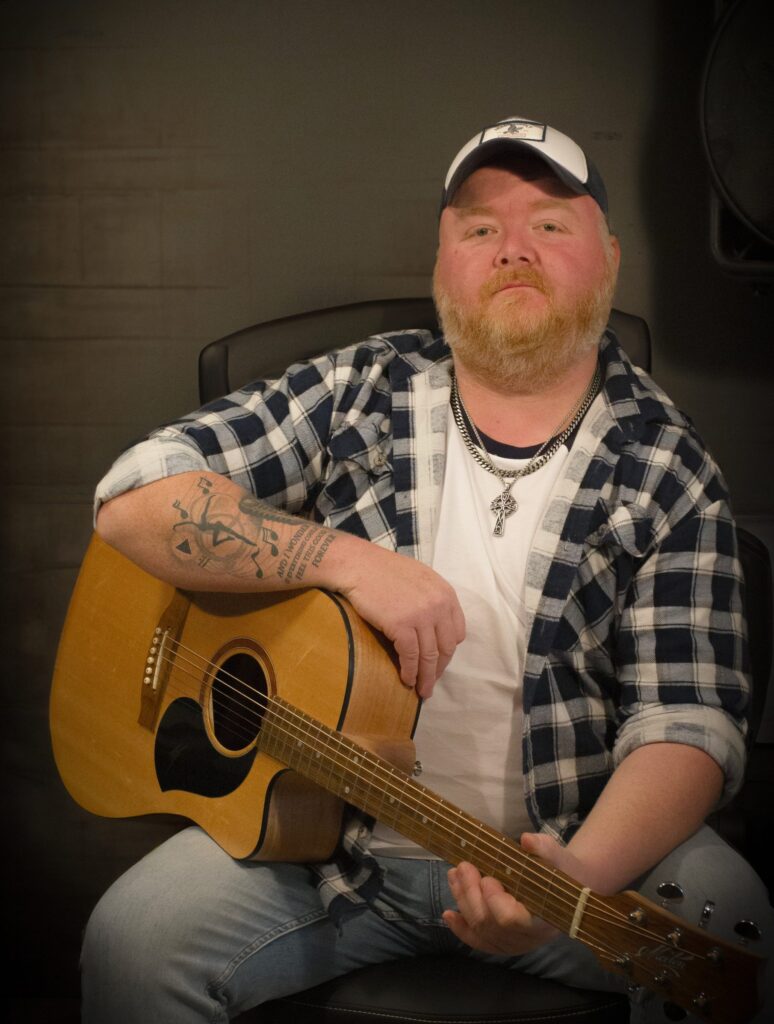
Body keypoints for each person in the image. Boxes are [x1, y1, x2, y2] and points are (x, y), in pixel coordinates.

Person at [81, 116, 772, 1023]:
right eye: (480, 228)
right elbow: (134, 497)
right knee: (130, 939)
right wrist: (343, 559)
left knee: (740, 924)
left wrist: (572, 878)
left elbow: (687, 721)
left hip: (575, 857)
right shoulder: (359, 391)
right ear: (442, 265)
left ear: (607, 258)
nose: (513, 248)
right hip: (330, 854)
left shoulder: (667, 464)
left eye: (550, 224)